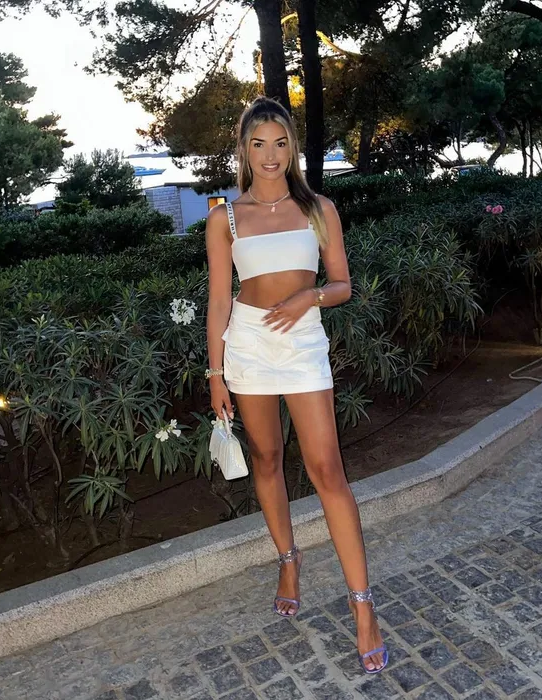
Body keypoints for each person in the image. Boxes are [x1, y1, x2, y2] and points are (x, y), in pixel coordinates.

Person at [205, 96, 387, 674]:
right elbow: (217, 301)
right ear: (243, 149)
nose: (270, 155)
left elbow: (343, 285)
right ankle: (288, 560)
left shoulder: (319, 209)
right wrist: (215, 372)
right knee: (265, 458)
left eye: (280, 143)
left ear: (293, 148)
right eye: (258, 144)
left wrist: (310, 295)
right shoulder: (225, 218)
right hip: (248, 344)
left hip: (303, 342)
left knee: (327, 469)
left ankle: (363, 607)